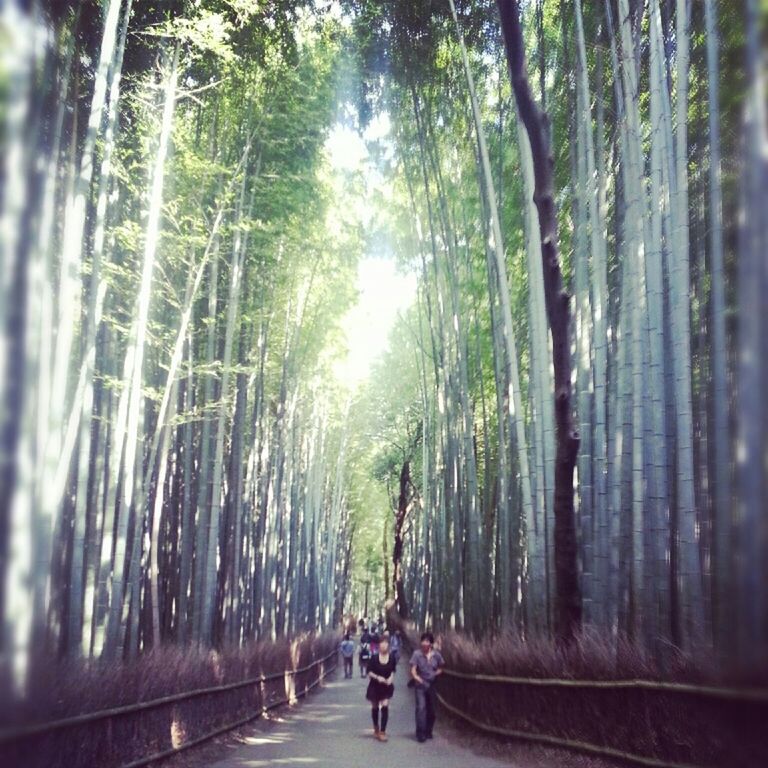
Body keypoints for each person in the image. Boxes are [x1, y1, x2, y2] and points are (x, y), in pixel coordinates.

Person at [409, 631, 445, 743]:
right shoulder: (417, 654)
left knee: (432, 710)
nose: (424, 643)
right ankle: (420, 733)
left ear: (431, 643)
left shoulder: (436, 655)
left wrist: (436, 673)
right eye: (423, 641)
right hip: (420, 684)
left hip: (432, 684)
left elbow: (441, 666)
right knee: (421, 708)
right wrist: (416, 677)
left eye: (427, 641)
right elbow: (413, 669)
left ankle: (428, 730)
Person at [366, 634, 397, 742]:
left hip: (386, 686)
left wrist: (391, 679)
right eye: (381, 643)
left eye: (385, 643)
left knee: (385, 705)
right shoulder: (374, 658)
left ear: (388, 645)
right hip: (375, 685)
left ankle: (383, 731)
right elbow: (369, 672)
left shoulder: (392, 657)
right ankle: (376, 727)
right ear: (379, 645)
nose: (383, 646)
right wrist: (377, 677)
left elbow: (393, 670)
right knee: (375, 707)